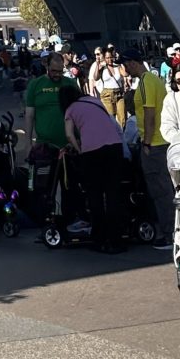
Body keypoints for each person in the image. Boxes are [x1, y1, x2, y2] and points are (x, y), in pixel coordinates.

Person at [65, 90, 126, 249]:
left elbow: (69, 135)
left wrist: (79, 150)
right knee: (113, 193)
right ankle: (117, 238)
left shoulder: (70, 109)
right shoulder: (94, 101)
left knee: (95, 194)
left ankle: (99, 236)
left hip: (92, 152)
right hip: (114, 147)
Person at [126, 54, 173, 248]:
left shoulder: (145, 82)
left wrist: (146, 143)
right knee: (166, 189)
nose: (125, 70)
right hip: (162, 141)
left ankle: (169, 234)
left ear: (132, 63)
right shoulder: (154, 79)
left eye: (126, 65)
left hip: (154, 144)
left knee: (161, 192)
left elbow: (149, 113)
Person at [24, 51, 74, 151]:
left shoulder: (70, 83)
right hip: (45, 145)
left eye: (60, 71)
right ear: (47, 66)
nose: (57, 75)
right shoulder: (35, 85)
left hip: (70, 144)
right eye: (54, 71)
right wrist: (28, 143)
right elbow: (29, 116)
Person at [93, 46, 128, 127]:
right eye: (107, 58)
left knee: (122, 118)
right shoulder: (102, 68)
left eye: (111, 57)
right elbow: (96, 78)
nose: (109, 60)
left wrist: (122, 62)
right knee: (110, 118)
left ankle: (121, 135)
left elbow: (126, 74)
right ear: (104, 58)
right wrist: (97, 66)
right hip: (107, 95)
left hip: (119, 94)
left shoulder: (117, 66)